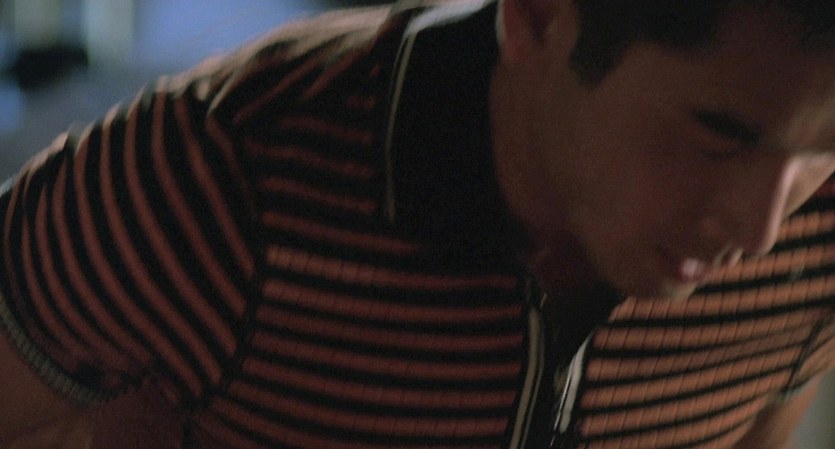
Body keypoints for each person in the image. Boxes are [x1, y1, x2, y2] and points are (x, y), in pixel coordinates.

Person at [1, 0, 835, 448]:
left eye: (823, 149)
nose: (761, 229)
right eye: (720, 134)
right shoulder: (211, 175)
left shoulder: (817, 235)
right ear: (539, 17)